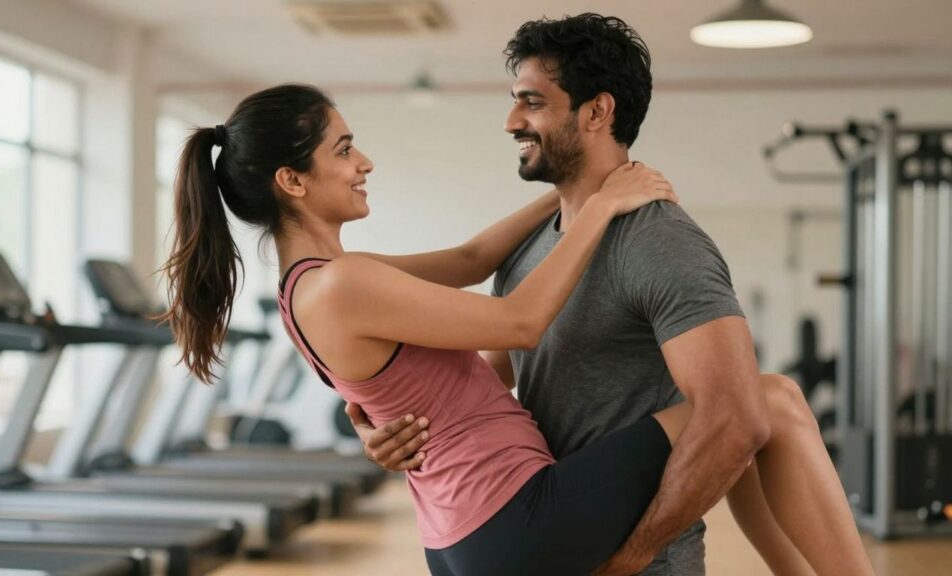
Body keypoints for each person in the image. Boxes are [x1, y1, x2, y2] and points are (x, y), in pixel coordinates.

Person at [158, 79, 872, 575]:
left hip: (469, 535)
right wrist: (597, 211)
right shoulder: (345, 283)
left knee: (739, 428)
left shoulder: (316, 286)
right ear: (293, 180)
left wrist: (585, 183)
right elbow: (521, 322)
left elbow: (474, 258)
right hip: (510, 525)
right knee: (761, 400)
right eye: (344, 149)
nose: (364, 161)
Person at [342, 13, 874, 576]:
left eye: (532, 102)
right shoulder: (529, 248)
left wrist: (634, 555)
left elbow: (735, 422)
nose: (510, 121)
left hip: (638, 560)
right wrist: (393, 431)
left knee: (769, 398)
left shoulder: (658, 241)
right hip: (546, 530)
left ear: (597, 111)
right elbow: (489, 384)